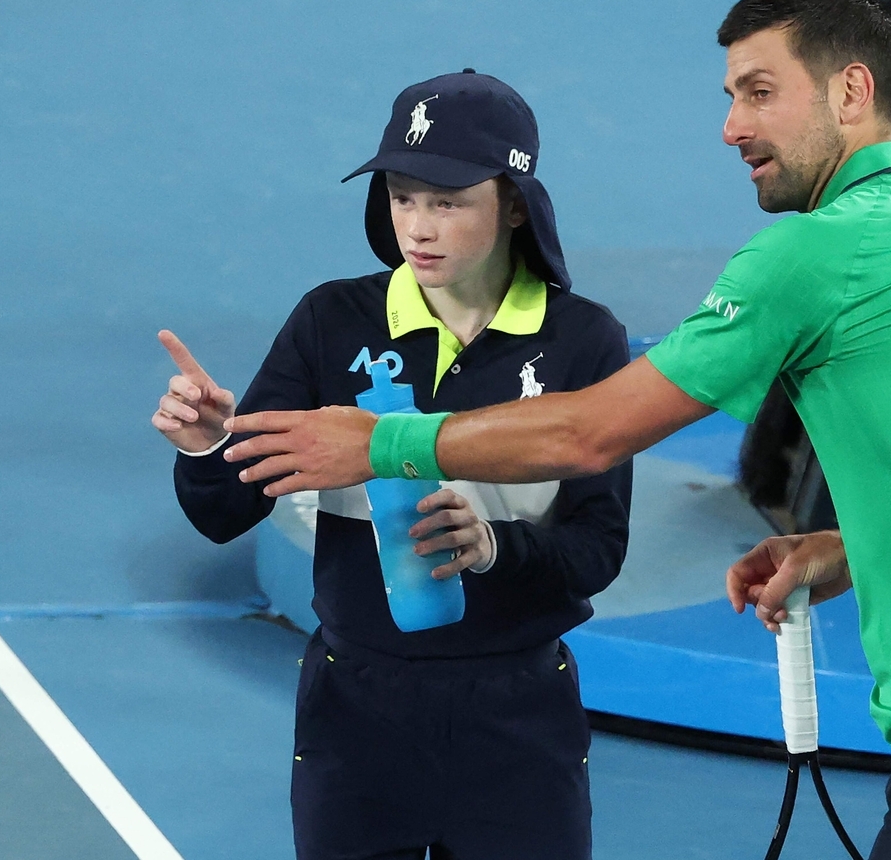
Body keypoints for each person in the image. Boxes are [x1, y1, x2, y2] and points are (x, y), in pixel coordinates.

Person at [218, 0, 891, 860]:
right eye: (731, 94)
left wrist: (381, 440)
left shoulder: (813, 256)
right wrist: (846, 551)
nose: (731, 126)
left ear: (851, 91)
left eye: (760, 92)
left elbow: (593, 434)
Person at [151, 70, 632, 860]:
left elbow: (597, 550)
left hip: (517, 716)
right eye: (403, 197)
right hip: (356, 710)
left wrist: (492, 548)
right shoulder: (331, 323)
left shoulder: (583, 343)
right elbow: (222, 513)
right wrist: (208, 444)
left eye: (448, 201)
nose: (420, 226)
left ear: (513, 202)